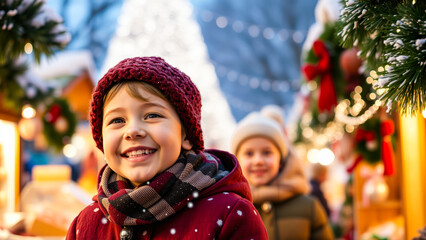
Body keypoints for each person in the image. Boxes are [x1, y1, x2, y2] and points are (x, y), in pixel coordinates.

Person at [66, 57, 268, 239]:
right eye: (117, 120)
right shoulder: (85, 225)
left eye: (152, 115)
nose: (133, 131)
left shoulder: (229, 215)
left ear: (186, 135)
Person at [231, 111, 334, 240]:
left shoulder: (309, 207)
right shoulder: (230, 210)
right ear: (237, 160)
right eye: (249, 153)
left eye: (267, 152)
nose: (258, 161)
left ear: (281, 160)